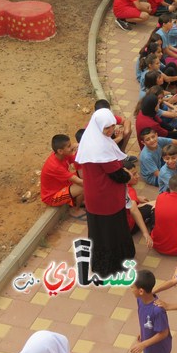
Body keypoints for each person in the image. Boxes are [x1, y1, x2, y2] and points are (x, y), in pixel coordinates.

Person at [75, 108, 134, 278]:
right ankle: (113, 266)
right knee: (112, 232)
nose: (111, 131)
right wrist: (128, 175)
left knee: (98, 232)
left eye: (112, 127)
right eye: (107, 128)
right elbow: (117, 174)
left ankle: (100, 264)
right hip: (107, 198)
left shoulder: (90, 140)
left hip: (94, 197)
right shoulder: (101, 148)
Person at [40, 134, 84, 218]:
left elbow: (78, 161)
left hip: (63, 184)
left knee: (83, 173)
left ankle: (78, 200)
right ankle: (75, 210)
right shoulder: (55, 166)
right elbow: (78, 181)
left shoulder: (63, 155)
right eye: (69, 146)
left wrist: (79, 149)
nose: (71, 147)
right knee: (84, 186)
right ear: (60, 151)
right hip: (52, 196)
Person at [130, 270, 172, 353]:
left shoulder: (157, 310)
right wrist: (143, 332)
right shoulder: (140, 300)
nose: (131, 289)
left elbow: (164, 333)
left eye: (132, 287)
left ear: (141, 291)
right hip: (149, 345)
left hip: (159, 350)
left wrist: (143, 344)